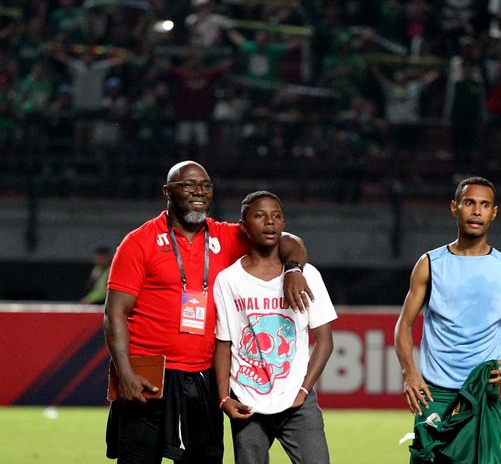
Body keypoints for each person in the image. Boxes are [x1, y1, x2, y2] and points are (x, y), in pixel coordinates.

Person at [104, 161, 314, 464]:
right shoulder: (139, 241)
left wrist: (294, 269)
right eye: (189, 185)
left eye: (205, 186)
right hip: (147, 374)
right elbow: (114, 314)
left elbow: (288, 241)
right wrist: (124, 372)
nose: (199, 192)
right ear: (167, 191)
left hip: (202, 376)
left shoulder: (227, 237)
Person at [394, 176, 501, 463]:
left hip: (482, 392)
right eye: (469, 203)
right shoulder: (430, 264)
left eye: (484, 205)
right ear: (455, 207)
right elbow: (403, 324)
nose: (477, 211)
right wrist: (409, 373)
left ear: (494, 212)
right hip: (435, 393)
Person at [213, 190, 337, 464]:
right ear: (244, 226)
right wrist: (224, 398)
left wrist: (304, 390)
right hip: (247, 401)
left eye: (276, 216)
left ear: (283, 224)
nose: (269, 222)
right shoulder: (228, 280)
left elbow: (325, 340)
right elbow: (224, 343)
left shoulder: (308, 275)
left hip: (297, 402)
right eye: (260, 216)